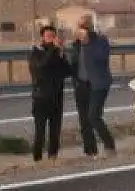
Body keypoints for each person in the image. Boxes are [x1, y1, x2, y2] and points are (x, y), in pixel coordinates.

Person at [68, 15, 117, 157]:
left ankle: (109, 145)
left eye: (84, 27)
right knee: (84, 120)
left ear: (90, 28)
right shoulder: (76, 44)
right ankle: (90, 151)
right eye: (80, 27)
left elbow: (100, 59)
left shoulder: (100, 41)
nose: (82, 30)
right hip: (81, 84)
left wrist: (87, 43)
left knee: (93, 116)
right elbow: (74, 64)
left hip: (98, 84)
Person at [28, 25, 73, 161]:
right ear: (42, 37)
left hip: (56, 97)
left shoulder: (57, 53)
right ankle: (37, 158)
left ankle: (53, 157)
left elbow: (67, 71)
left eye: (53, 36)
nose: (51, 39)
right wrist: (53, 49)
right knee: (40, 131)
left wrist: (62, 54)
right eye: (48, 36)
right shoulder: (36, 52)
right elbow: (41, 67)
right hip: (41, 97)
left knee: (55, 131)